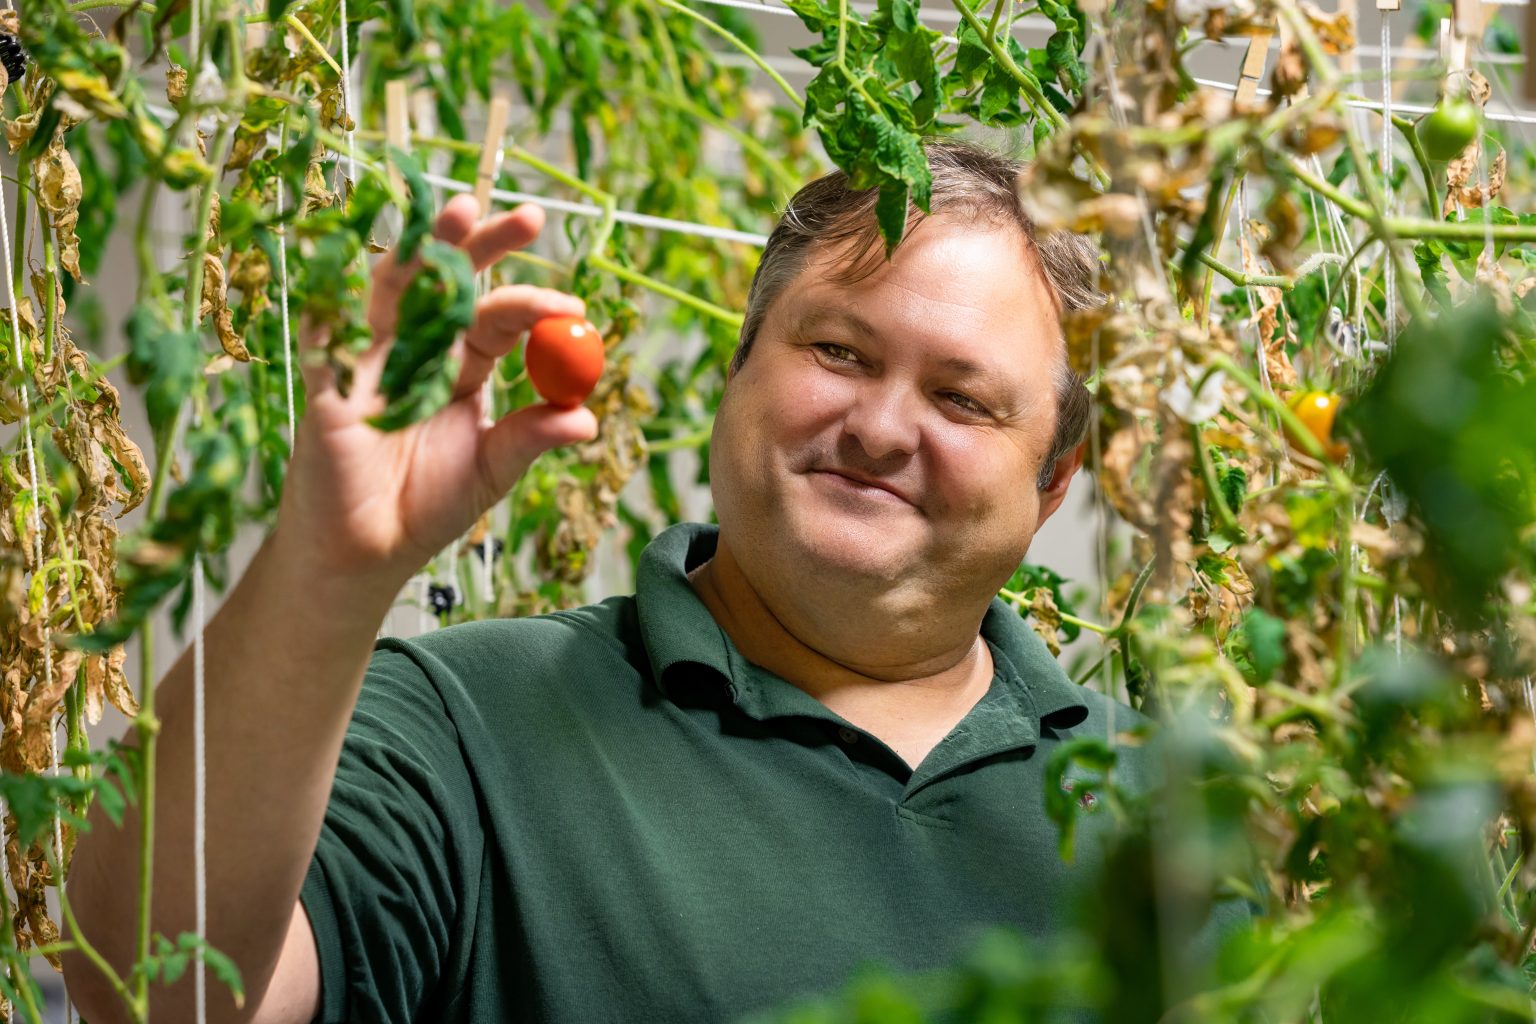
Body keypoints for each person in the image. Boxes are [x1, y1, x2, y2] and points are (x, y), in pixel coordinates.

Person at [66, 137, 1146, 1024]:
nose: (878, 427)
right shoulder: (466, 720)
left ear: (1052, 484)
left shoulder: (1167, 798)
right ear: (739, 372)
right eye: (839, 352)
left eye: (962, 399)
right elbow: (162, 996)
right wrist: (326, 564)